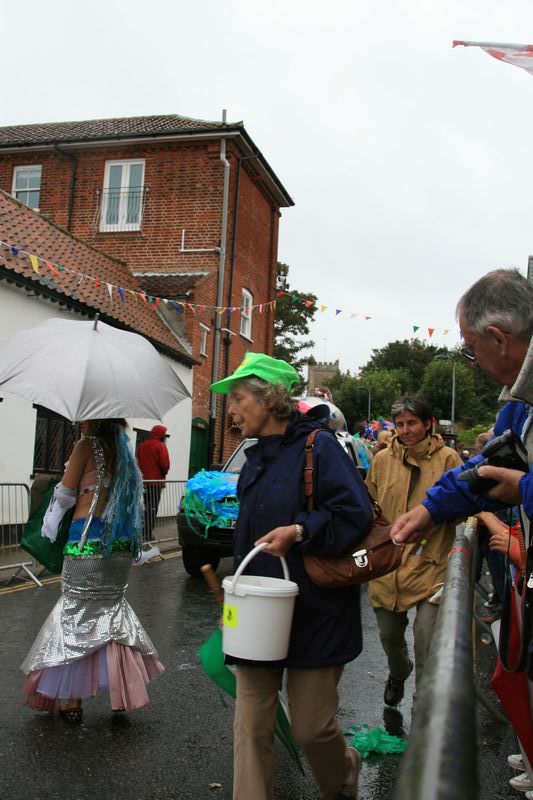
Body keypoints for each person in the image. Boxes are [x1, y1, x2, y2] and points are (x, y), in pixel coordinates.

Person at [390, 268, 533, 791]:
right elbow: (482, 471)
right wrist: (429, 510)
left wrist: (525, 490)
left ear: (498, 337)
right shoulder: (519, 403)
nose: (473, 365)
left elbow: (512, 479)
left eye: (473, 351)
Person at [210, 352, 374, 800]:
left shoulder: (319, 446)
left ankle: (343, 773)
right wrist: (233, 604)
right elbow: (248, 542)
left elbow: (355, 514)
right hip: (257, 613)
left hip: (316, 611)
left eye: (240, 397)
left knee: (311, 727)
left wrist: (301, 530)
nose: (232, 408)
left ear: (270, 398)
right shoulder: (253, 458)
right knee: (251, 725)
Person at [21, 419, 164, 721]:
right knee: (112, 613)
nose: (80, 421)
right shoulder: (125, 452)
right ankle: (124, 694)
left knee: (75, 614)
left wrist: (48, 523)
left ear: (97, 418)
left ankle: (72, 700)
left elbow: (65, 495)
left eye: (85, 417)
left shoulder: (85, 446)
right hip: (119, 548)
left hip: (87, 543)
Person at [364, 396, 462, 706]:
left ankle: (425, 706)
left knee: (426, 637)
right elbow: (370, 503)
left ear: (428, 423)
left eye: (413, 423)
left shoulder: (448, 459)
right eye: (401, 424)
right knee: (389, 636)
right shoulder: (381, 460)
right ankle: (398, 671)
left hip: (431, 564)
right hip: (388, 564)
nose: (406, 430)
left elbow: (463, 506)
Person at [137, 424, 170, 540]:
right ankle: (148, 533)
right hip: (155, 483)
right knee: (152, 508)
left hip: (142, 482)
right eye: (164, 434)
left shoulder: (142, 445)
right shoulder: (161, 446)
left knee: (142, 507)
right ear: (160, 435)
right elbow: (165, 464)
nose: (165, 436)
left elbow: (137, 461)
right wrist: (163, 473)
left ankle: (139, 532)